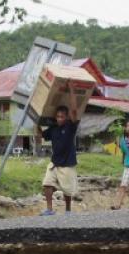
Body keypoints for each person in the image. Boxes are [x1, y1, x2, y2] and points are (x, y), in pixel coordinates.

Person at [34, 86, 80, 215]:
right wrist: (35, 122)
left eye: (62, 117)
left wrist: (71, 88)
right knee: (47, 184)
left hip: (67, 164)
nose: (59, 119)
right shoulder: (53, 128)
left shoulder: (71, 127)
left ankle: (68, 210)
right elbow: (41, 135)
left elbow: (74, 110)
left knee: (67, 191)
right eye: (58, 116)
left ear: (66, 117)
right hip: (55, 163)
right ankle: (49, 209)